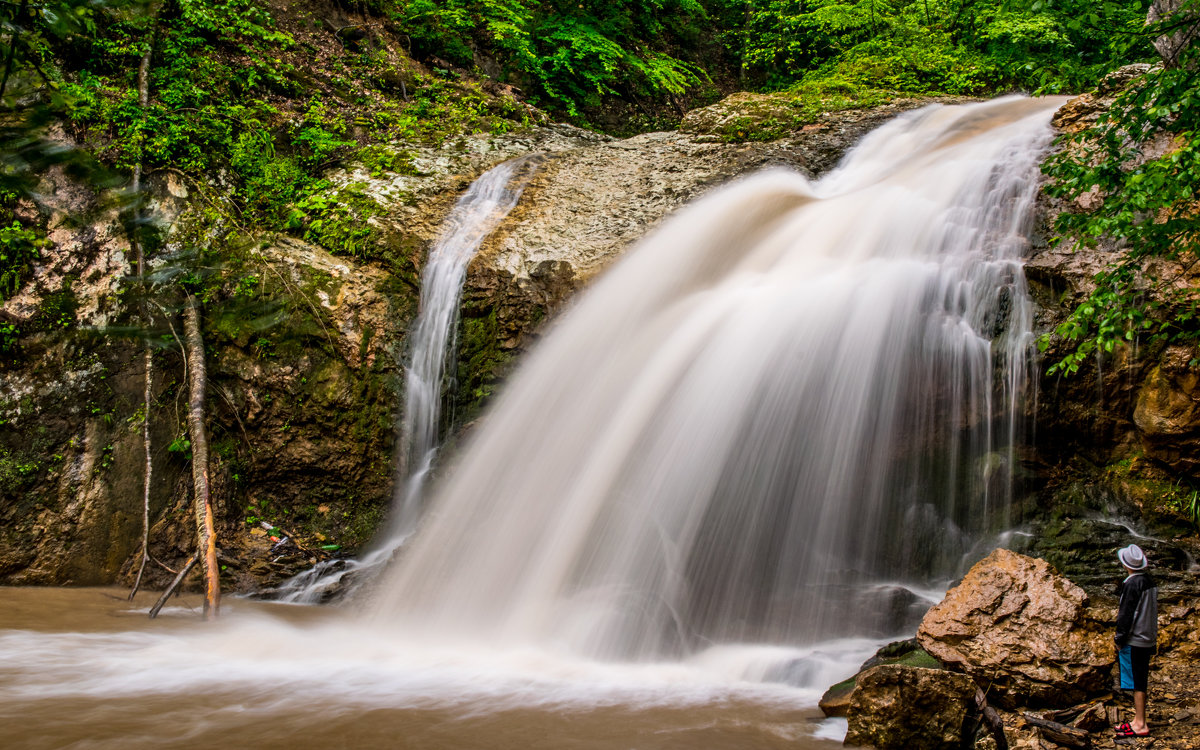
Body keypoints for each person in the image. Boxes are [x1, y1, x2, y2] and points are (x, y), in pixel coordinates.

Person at [1113, 543, 1158, 739]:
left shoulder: (1131, 584)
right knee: (1141, 679)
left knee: (1137, 682)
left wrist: (1119, 638)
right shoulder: (1149, 581)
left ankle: (1140, 723)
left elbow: (1126, 615)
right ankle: (1137, 720)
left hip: (1135, 639)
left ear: (1125, 564)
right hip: (1148, 636)